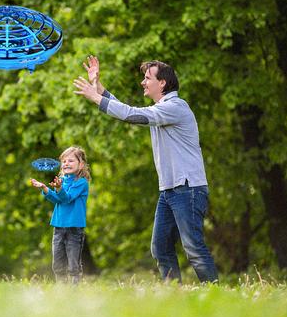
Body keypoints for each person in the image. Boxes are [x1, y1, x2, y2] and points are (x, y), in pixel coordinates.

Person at [73, 56, 218, 283]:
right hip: (170, 191)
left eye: (147, 78)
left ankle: (214, 293)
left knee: (193, 248)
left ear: (162, 83)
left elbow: (132, 115)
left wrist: (95, 98)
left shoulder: (175, 107)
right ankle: (174, 294)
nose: (143, 82)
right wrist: (97, 86)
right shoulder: (161, 108)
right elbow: (129, 110)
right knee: (160, 248)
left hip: (187, 189)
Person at [31, 146, 90, 284]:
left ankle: (74, 289)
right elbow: (57, 199)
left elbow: (67, 198)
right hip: (58, 227)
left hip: (74, 228)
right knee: (57, 263)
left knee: (73, 264)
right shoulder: (61, 181)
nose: (66, 163)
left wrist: (58, 188)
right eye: (64, 161)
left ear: (81, 164)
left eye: (71, 161)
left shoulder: (81, 183)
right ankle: (61, 290)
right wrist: (45, 188)